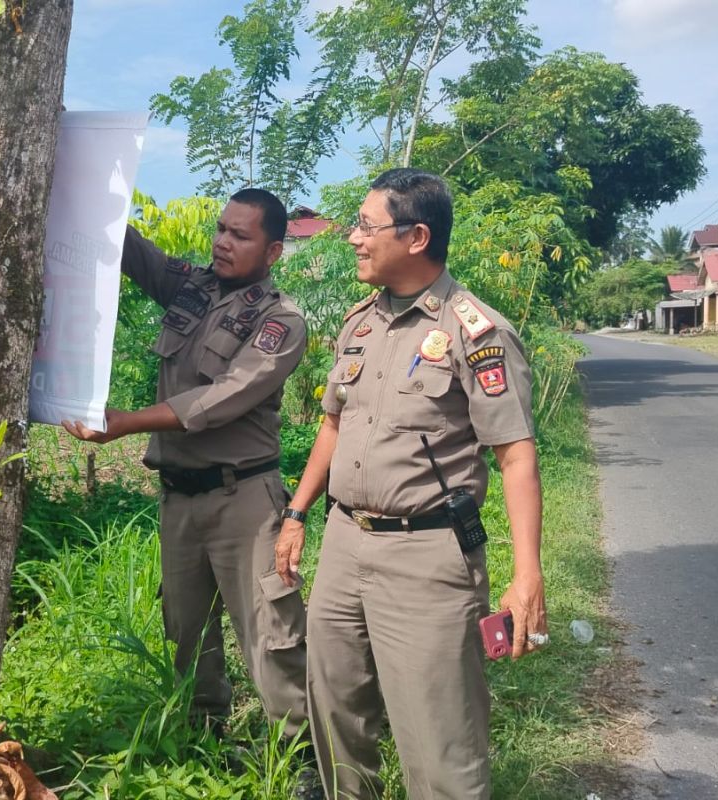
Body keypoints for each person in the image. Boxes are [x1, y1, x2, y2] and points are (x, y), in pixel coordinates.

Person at [274, 168, 547, 799]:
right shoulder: (361, 324)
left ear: (417, 236)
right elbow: (332, 426)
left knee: (440, 746)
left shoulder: (474, 331)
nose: (353, 238)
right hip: (344, 544)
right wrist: (298, 514)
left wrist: (527, 573)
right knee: (338, 716)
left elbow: (516, 457)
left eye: (367, 226)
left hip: (427, 556)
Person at [62, 188, 311, 748]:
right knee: (188, 635)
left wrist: (126, 422)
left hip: (242, 500)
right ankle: (205, 742)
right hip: (179, 499)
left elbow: (225, 395)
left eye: (240, 236)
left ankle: (302, 762)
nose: (223, 242)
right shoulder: (192, 287)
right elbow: (132, 252)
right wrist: (94, 188)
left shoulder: (280, 320)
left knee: (269, 637)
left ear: (272, 252)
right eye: (221, 229)